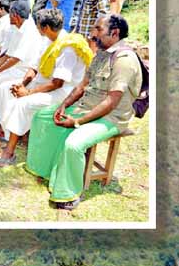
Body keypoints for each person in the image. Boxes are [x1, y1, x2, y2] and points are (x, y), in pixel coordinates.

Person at [26, 14, 142, 211]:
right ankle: (45, 170)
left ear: (114, 33)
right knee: (42, 117)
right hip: (86, 107)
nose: (92, 34)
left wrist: (77, 122)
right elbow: (81, 86)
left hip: (111, 118)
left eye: (98, 30)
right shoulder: (101, 54)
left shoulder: (124, 60)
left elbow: (111, 102)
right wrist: (63, 105)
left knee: (74, 144)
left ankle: (68, 194)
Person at [0, 8, 92, 168]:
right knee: (6, 89)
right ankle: (7, 134)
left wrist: (28, 93)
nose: (37, 28)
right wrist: (22, 85)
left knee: (22, 104)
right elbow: (34, 67)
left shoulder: (67, 47)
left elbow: (57, 83)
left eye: (38, 25)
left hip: (63, 93)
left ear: (46, 27)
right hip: (43, 84)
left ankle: (9, 153)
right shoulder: (47, 39)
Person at [0, 0, 48, 129]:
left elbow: (15, 59)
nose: (8, 16)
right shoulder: (17, 27)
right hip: (14, 68)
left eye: (10, 14)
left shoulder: (28, 31)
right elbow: (8, 55)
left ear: (15, 16)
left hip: (23, 72)